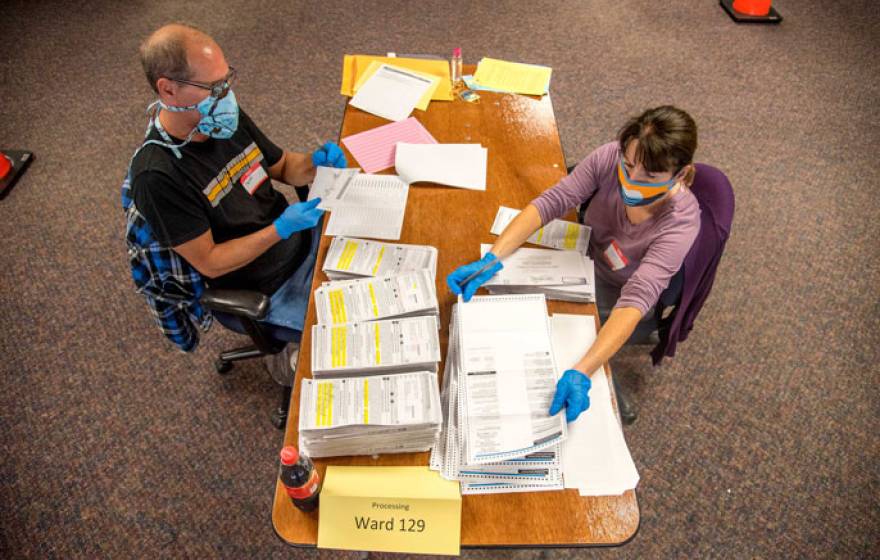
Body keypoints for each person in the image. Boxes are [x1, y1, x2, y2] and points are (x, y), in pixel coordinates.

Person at [447, 106, 701, 422]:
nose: (632, 181)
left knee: (535, 328)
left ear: (681, 175)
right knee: (502, 300)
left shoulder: (681, 222)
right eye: (629, 165)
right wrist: (493, 257)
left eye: (650, 175)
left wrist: (582, 371)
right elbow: (552, 202)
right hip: (580, 259)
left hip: (619, 290)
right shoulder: (610, 157)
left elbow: (637, 298)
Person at [126, 22, 346, 357]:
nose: (226, 95)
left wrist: (314, 163)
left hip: (304, 239)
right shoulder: (157, 176)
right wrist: (279, 229)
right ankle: (290, 360)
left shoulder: (221, 118)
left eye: (227, 79)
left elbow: (284, 166)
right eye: (213, 87)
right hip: (268, 286)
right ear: (168, 89)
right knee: (361, 327)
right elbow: (211, 262)